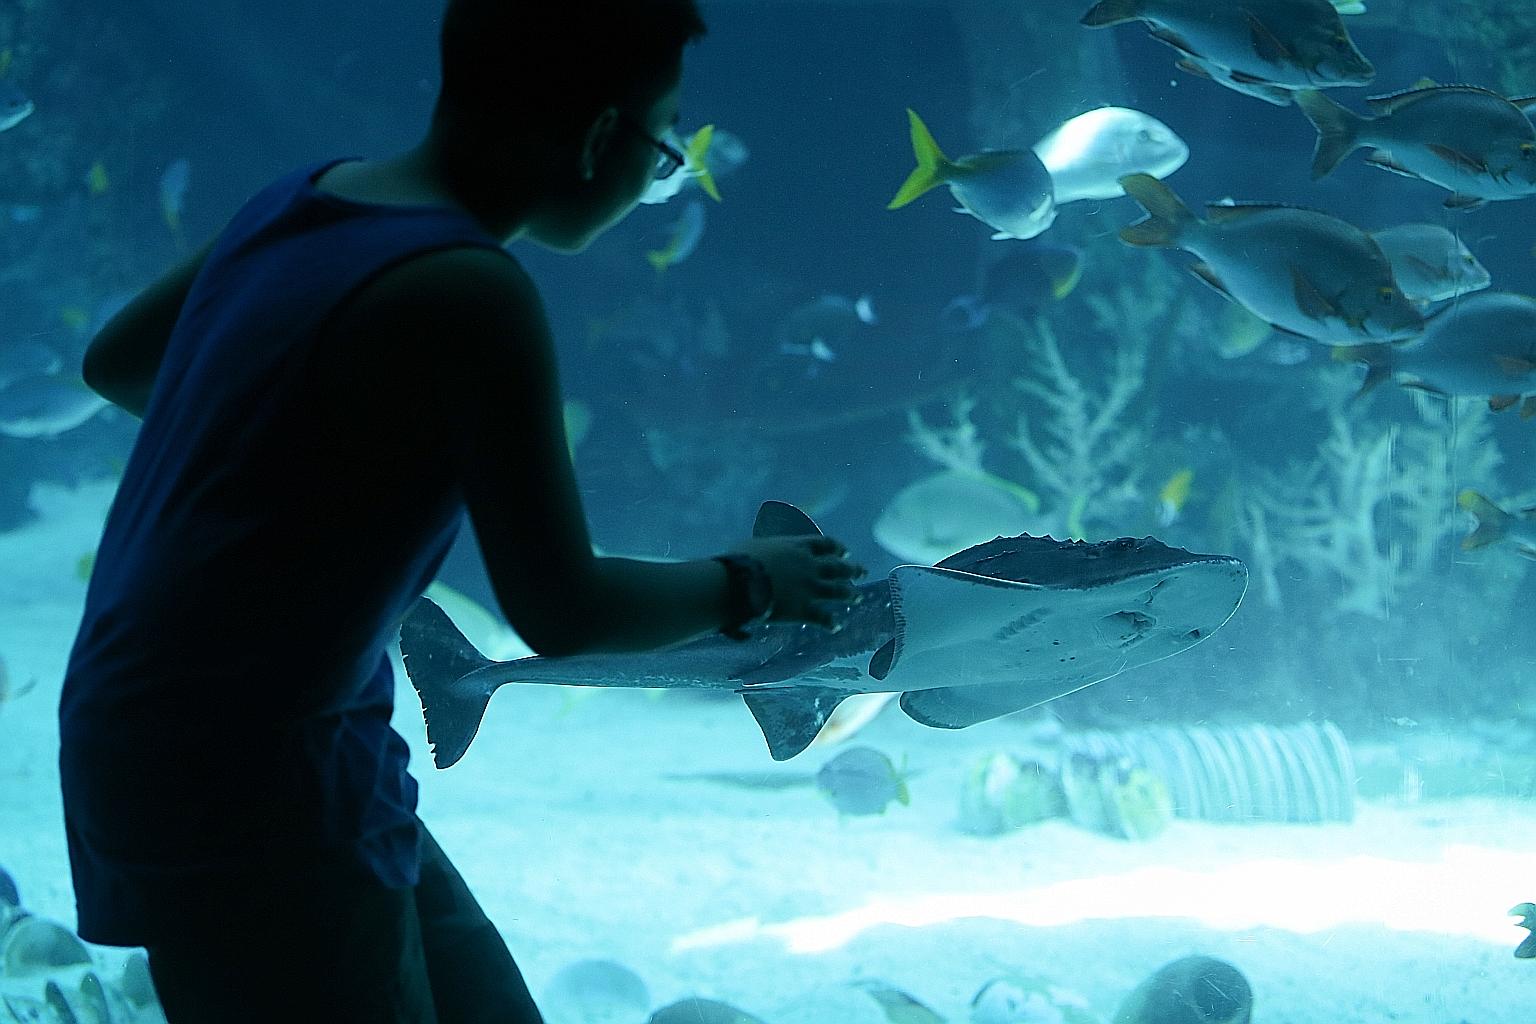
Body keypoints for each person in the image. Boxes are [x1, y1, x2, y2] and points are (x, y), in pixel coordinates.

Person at [59, 1, 863, 1020]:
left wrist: (301, 465)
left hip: (225, 726)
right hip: (246, 767)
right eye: (661, 144)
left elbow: (119, 362)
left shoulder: (296, 201)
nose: (658, 171)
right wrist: (754, 580)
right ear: (597, 137)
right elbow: (562, 608)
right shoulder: (470, 292)